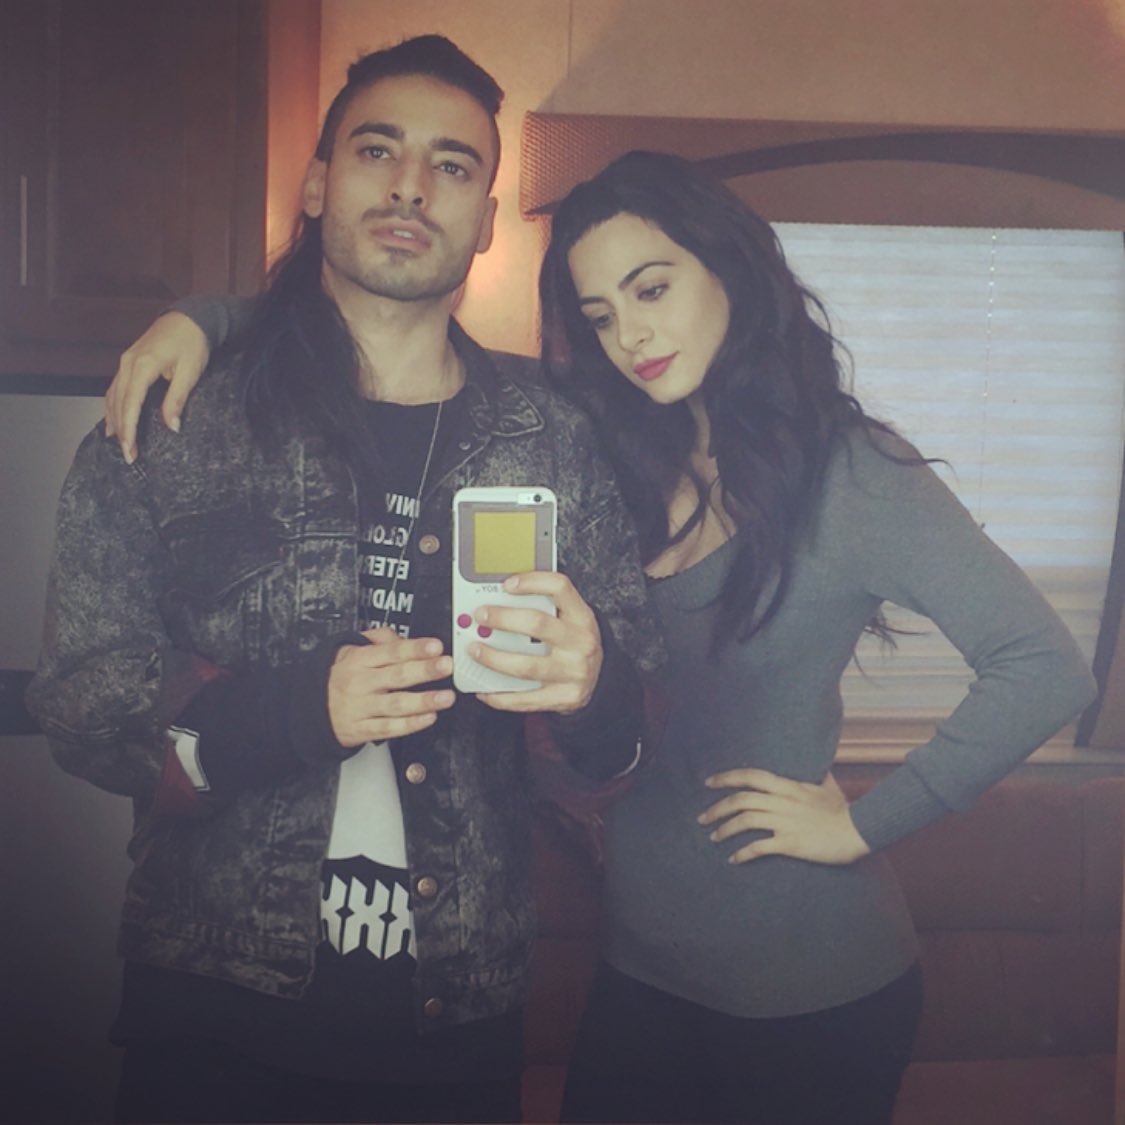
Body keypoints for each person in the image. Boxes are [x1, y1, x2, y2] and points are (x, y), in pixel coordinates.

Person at [102, 152, 1098, 1125]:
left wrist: (862, 825)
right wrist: (208, 320)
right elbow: (399, 330)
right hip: (641, 972)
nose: (631, 335)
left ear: (731, 269)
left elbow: (1044, 668)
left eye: (651, 288)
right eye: (600, 315)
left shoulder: (854, 473)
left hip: (809, 985)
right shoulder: (609, 446)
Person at [27, 39, 661, 1125]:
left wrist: (595, 691)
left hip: (456, 1027)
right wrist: (291, 713)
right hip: (210, 1015)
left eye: (452, 165)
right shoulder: (180, 416)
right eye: (378, 150)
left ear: (486, 221)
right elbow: (83, 703)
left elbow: (622, 746)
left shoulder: (554, 440)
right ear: (318, 184)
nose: (412, 186)